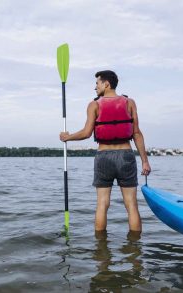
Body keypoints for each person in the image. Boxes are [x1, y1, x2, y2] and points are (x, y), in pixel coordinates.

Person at [59, 70, 151, 232]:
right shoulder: (130, 102)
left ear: (106, 84)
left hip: (103, 157)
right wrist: (145, 160)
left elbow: (86, 133)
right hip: (126, 156)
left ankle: (101, 251)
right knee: (131, 205)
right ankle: (135, 251)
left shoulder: (94, 105)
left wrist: (68, 137)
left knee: (102, 204)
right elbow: (136, 133)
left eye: (97, 83)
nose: (95, 87)